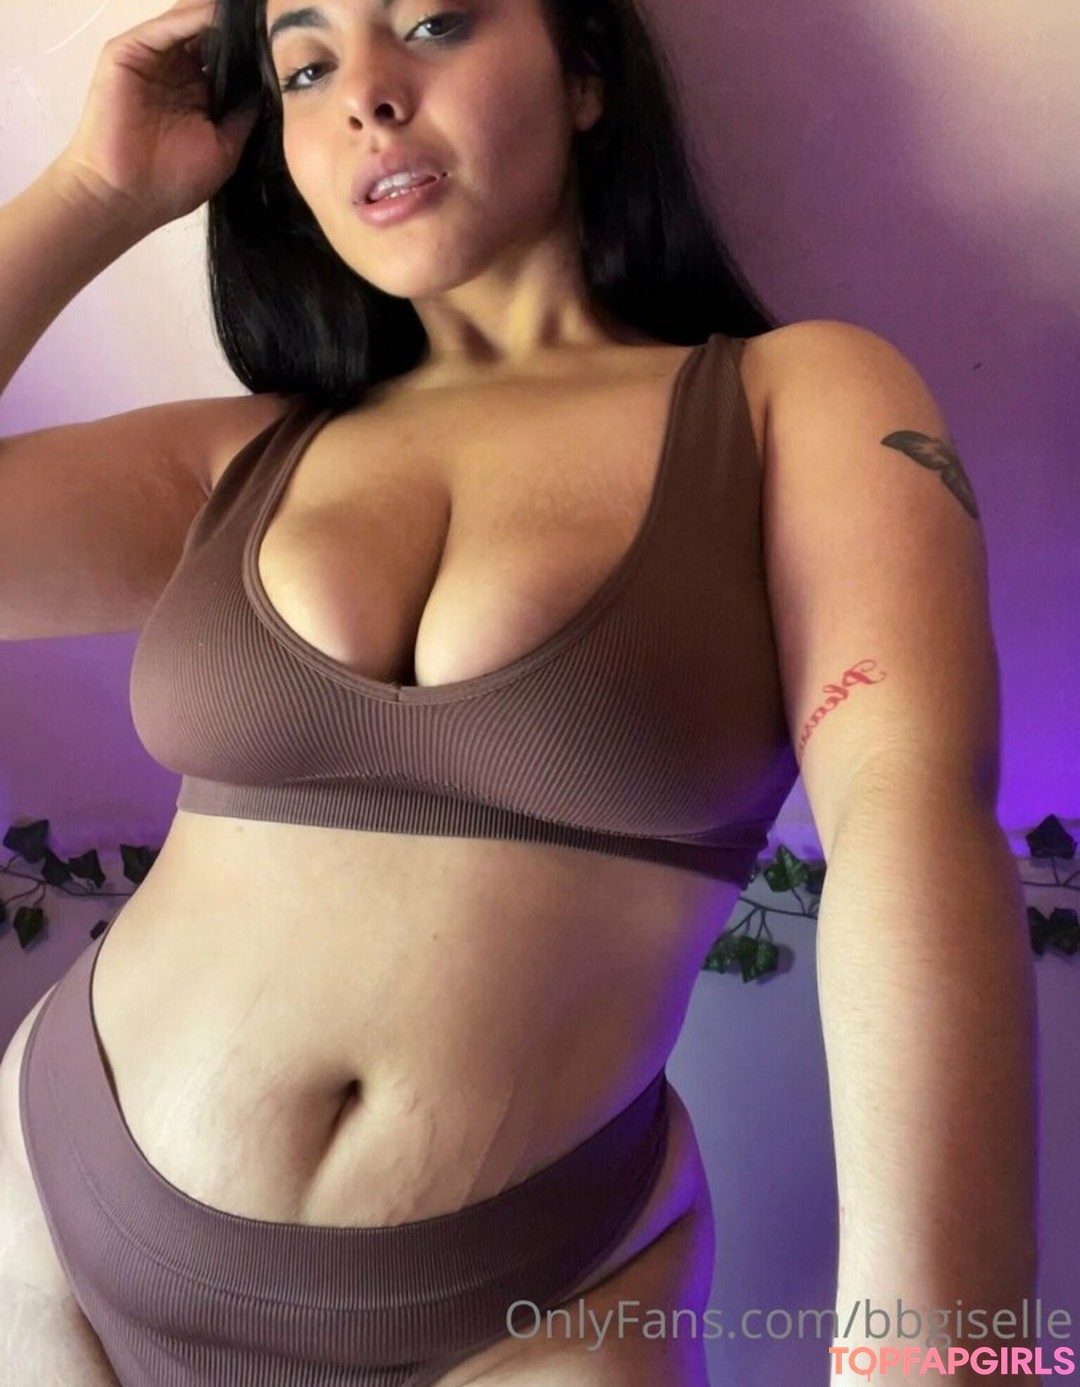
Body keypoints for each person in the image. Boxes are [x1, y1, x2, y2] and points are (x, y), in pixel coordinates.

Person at [0, 0, 1037, 1383]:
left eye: (434, 22)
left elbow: (909, 814)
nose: (366, 93)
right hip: (58, 1224)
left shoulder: (794, 401)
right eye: (306, 65)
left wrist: (940, 1350)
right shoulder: (242, 458)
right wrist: (91, 193)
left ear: (586, 75)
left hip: (533, 1305)